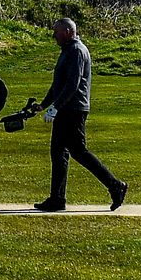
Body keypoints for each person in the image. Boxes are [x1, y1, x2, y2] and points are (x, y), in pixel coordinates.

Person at [33, 18, 128, 213]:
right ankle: (57, 199)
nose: (54, 35)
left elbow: (72, 84)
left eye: (57, 32)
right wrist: (43, 105)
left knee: (78, 151)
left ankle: (115, 185)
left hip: (73, 109)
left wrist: (55, 107)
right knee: (59, 153)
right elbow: (58, 85)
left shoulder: (76, 51)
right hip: (66, 109)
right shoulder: (67, 50)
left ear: (68, 32)